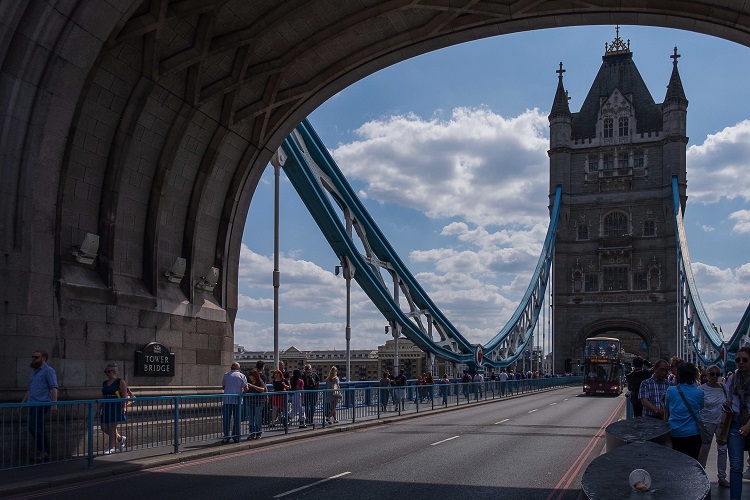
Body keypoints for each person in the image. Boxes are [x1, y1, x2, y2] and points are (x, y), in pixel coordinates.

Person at [19, 350, 58, 462]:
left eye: (36, 357)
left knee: (32, 426)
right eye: (33, 357)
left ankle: (42, 451)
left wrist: (54, 404)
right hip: (32, 404)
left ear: (43, 358)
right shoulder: (34, 372)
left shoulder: (48, 371)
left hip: (42, 403)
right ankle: (45, 452)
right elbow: (29, 390)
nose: (33, 359)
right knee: (39, 428)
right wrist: (22, 403)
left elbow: (54, 387)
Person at [665, 361, 704, 460]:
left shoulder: (670, 390)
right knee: (692, 463)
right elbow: (700, 408)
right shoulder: (699, 393)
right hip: (693, 433)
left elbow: (667, 407)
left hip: (674, 432)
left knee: (676, 463)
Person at [698, 365, 729, 487]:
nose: (715, 376)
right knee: (704, 449)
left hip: (721, 422)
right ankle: (701, 475)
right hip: (706, 422)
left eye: (718, 374)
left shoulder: (723, 387)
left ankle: (722, 477)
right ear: (707, 374)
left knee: (722, 449)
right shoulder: (701, 389)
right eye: (712, 374)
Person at [727, 346, 750, 499]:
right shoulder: (732, 378)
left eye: (744, 360)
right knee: (736, 467)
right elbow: (729, 399)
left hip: (749, 422)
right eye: (737, 360)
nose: (740, 363)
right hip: (735, 422)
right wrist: (726, 405)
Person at [99, 363, 129, 454]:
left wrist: (124, 407)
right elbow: (103, 395)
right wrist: (100, 408)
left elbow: (124, 395)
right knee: (104, 427)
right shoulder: (105, 383)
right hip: (106, 405)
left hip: (116, 405)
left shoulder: (120, 381)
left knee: (112, 427)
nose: (107, 373)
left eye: (108, 371)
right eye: (105, 372)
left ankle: (111, 447)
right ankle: (120, 438)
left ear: (114, 371)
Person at [221, 362, 247, 443]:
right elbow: (246, 388)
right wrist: (242, 392)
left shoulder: (226, 375)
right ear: (238, 368)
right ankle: (235, 436)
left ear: (231, 367)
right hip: (237, 400)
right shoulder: (242, 376)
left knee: (226, 419)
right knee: (237, 419)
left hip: (227, 400)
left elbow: (223, 386)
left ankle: (226, 436)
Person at [245, 368, 266, 440]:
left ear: (254, 376)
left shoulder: (260, 381)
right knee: (251, 419)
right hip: (251, 402)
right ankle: (252, 433)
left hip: (258, 402)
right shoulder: (248, 382)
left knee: (257, 418)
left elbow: (262, 389)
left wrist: (253, 386)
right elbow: (246, 391)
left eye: (251, 376)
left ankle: (258, 432)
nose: (249, 377)